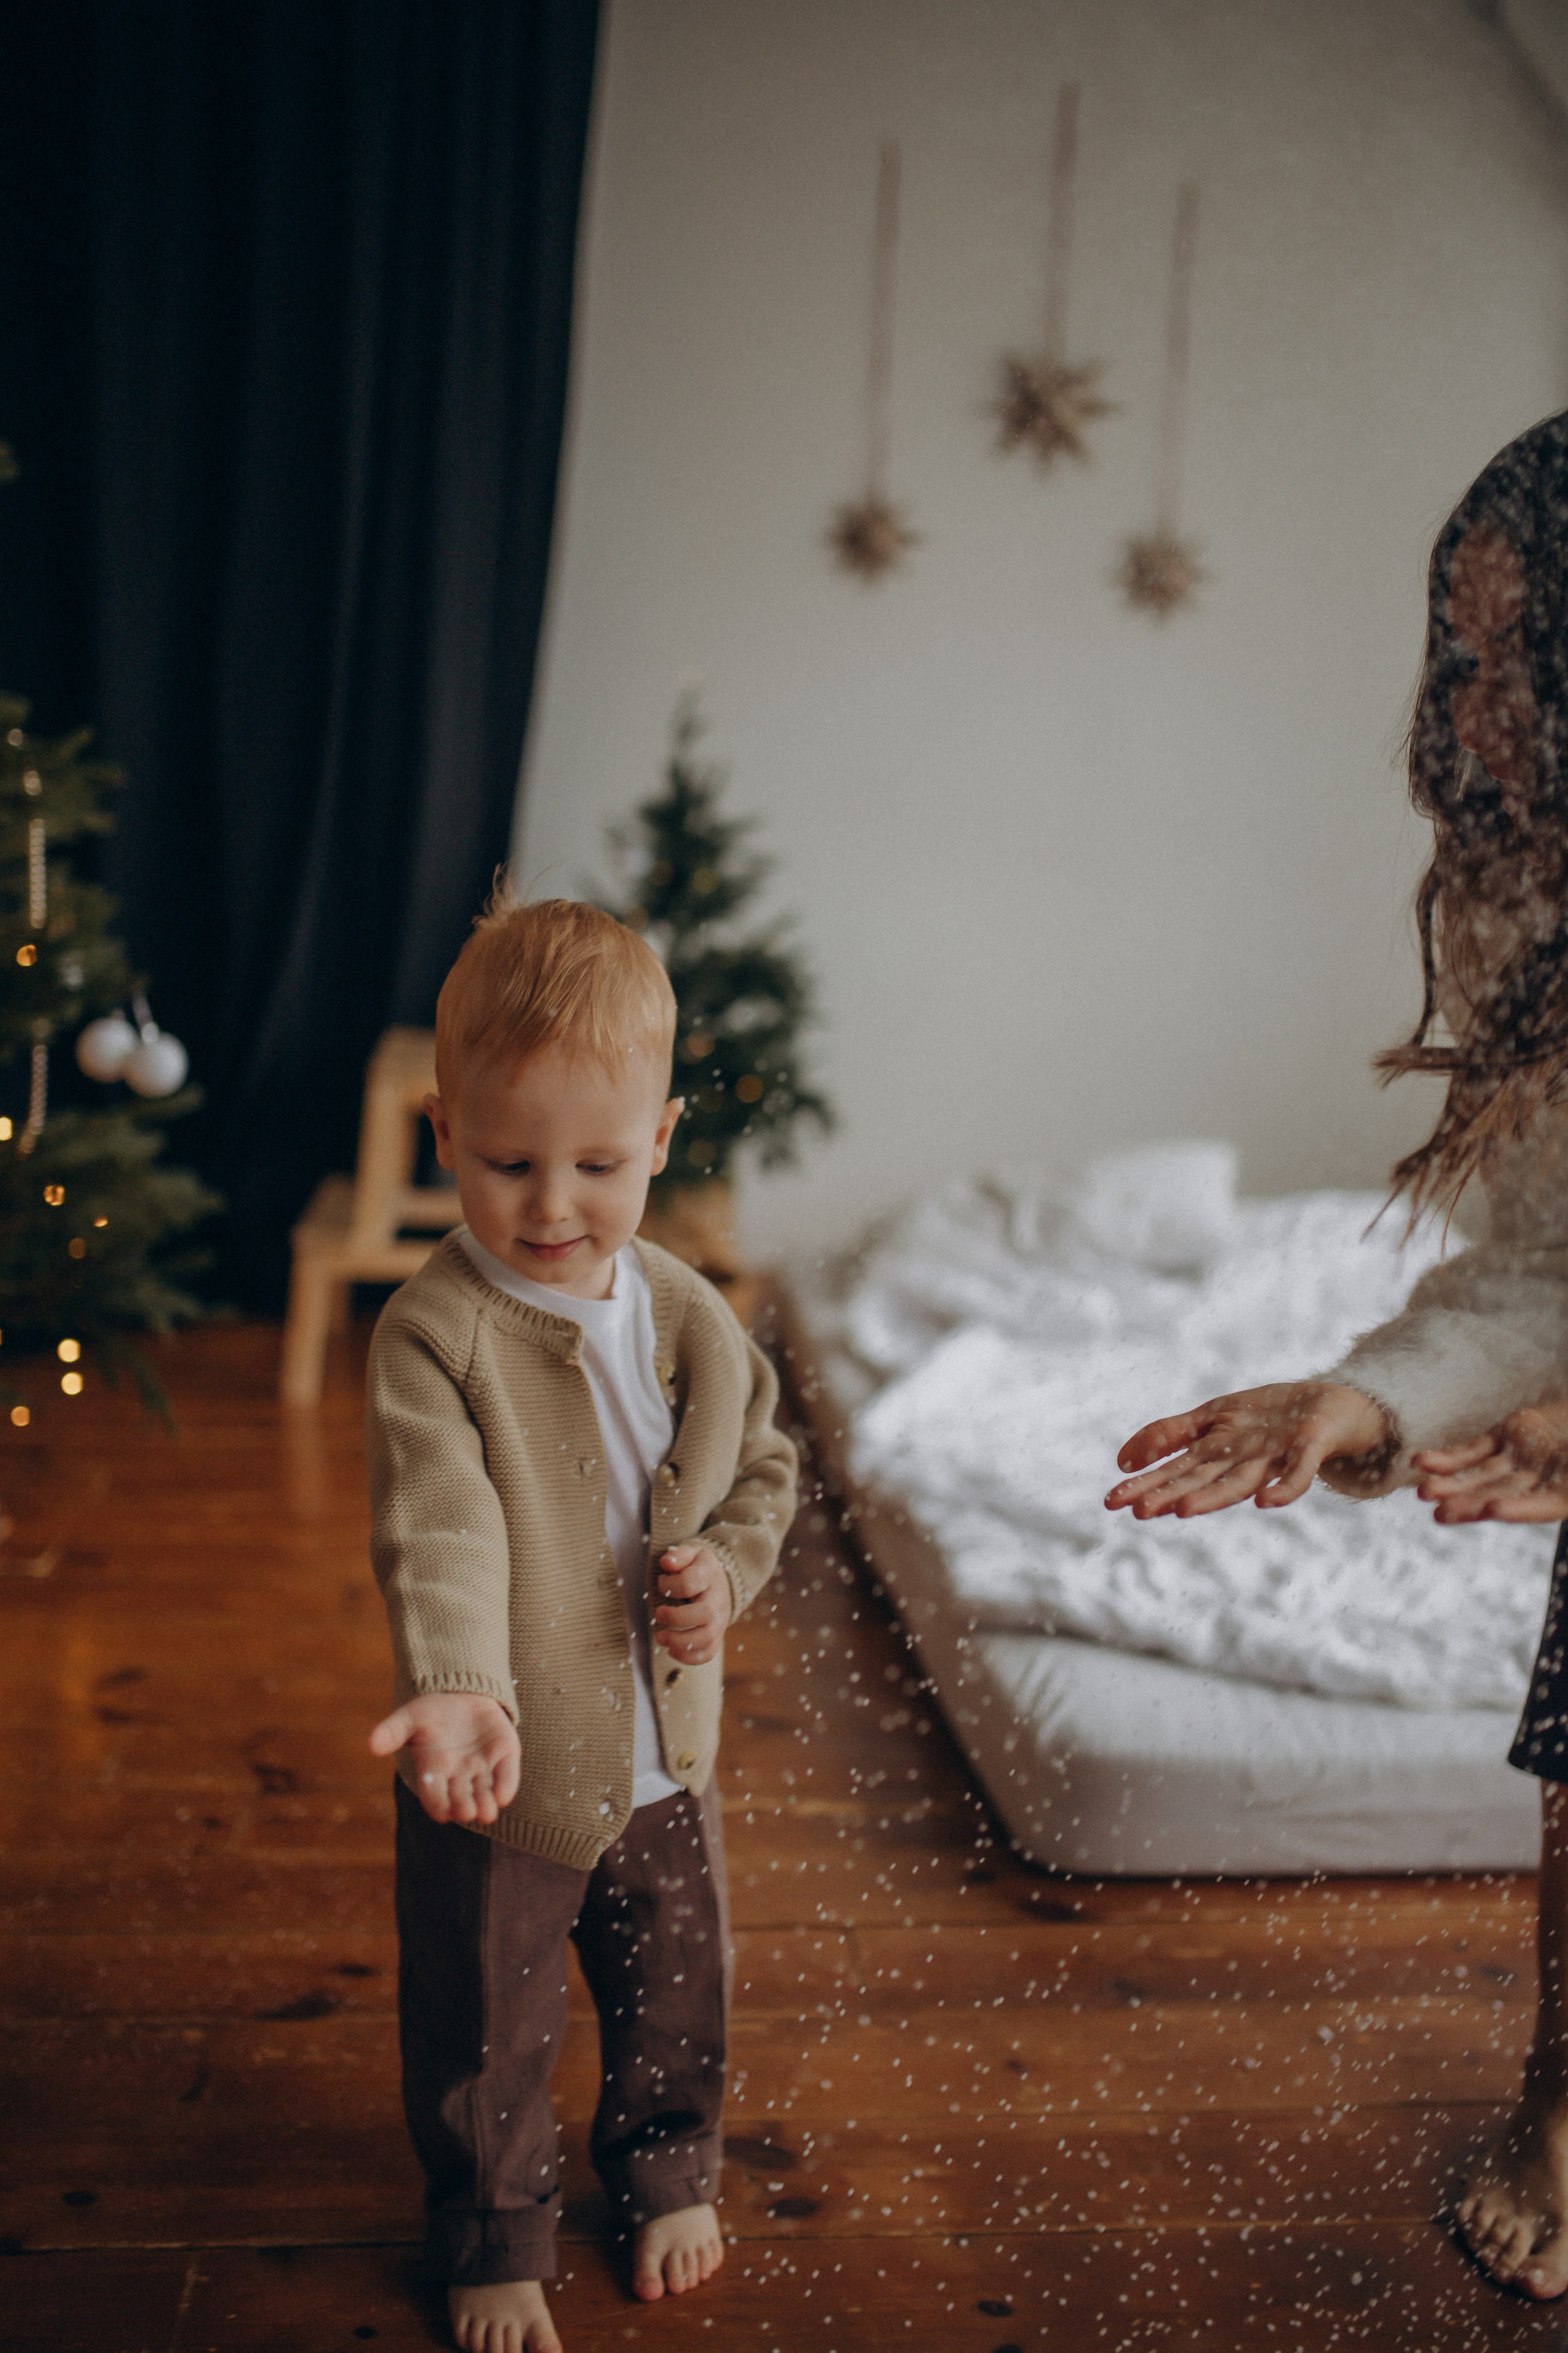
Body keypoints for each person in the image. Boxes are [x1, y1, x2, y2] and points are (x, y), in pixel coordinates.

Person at [1105, 410, 1568, 2301]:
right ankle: (1566, 2095)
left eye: (1517, 667)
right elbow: (1544, 1263)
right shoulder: (1534, 898)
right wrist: (1358, 1406)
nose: (1464, 722)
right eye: (1449, 662)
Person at [364, 895, 797, 2353]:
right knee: (487, 2017)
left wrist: (728, 1572)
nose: (553, 1205)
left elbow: (764, 1471)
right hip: (503, 1763)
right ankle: (492, 2228)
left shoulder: (684, 1314)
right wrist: (454, 1689)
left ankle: (668, 2165)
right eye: (508, 1162)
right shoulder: (437, 1332)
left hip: (668, 1750)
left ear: (662, 1139)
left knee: (676, 1979)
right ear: (444, 1133)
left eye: (598, 1164)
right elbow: (442, 1520)